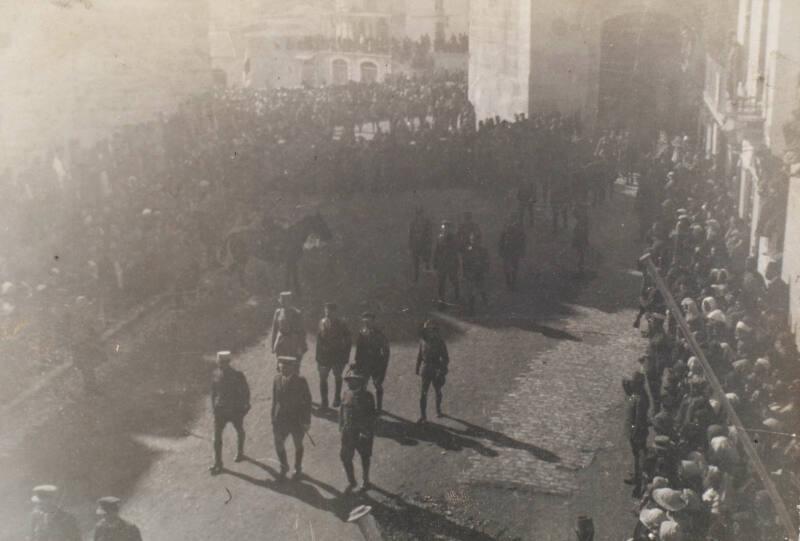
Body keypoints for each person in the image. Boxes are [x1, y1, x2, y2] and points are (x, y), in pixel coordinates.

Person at [210, 350, 250, 475]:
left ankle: (240, 452)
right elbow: (213, 392)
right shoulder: (216, 374)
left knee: (239, 429)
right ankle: (218, 462)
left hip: (234, 410)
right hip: (220, 411)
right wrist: (213, 407)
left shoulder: (238, 375)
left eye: (224, 362)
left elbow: (245, 392)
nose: (221, 365)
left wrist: (244, 407)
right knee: (217, 437)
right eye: (220, 362)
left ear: (229, 362)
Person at [271, 356, 312, 480]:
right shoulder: (276, 379)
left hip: (296, 420)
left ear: (292, 368)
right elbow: (274, 400)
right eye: (281, 367)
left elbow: (307, 402)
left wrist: (306, 421)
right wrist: (273, 417)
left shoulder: (301, 381)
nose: (283, 370)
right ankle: (284, 467)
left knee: (298, 444)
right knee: (278, 443)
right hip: (280, 420)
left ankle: (297, 468)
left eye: (286, 368)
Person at [339, 370, 376, 492]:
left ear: (359, 382)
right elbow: (342, 410)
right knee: (345, 457)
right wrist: (341, 425)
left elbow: (371, 416)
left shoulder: (367, 396)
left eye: (352, 380)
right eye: (348, 380)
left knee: (364, 456)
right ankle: (352, 481)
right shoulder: (346, 393)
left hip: (362, 432)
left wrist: (366, 431)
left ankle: (366, 481)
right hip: (348, 432)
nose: (349, 382)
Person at [315, 302, 352, 409]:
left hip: (337, 356)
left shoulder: (342, 324)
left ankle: (336, 398)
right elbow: (319, 340)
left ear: (335, 312)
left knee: (337, 376)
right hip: (324, 357)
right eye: (326, 311)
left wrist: (345, 357)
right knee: (322, 378)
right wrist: (318, 357)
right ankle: (324, 402)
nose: (327, 313)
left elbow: (348, 341)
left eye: (330, 311)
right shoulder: (321, 322)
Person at [352, 312, 390, 413]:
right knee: (362, 384)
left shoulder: (379, 333)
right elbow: (358, 349)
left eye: (369, 321)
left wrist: (383, 364)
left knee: (377, 384)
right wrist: (356, 362)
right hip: (364, 363)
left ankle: (379, 407)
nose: (367, 324)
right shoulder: (361, 332)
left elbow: (386, 350)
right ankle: (362, 407)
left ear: (373, 321)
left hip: (376, 363)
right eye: (365, 321)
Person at [415, 319, 450, 422]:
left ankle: (438, 410)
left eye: (432, 329)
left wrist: (442, 369)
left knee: (438, 391)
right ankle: (423, 415)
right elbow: (419, 355)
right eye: (427, 329)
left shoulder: (440, 342)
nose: (430, 332)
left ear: (435, 330)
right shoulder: (422, 341)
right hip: (425, 369)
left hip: (436, 368)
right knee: (423, 393)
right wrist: (417, 367)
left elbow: (446, 358)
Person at [623, 372, 650, 497]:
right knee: (637, 457)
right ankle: (637, 477)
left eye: (634, 383)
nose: (632, 384)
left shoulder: (640, 399)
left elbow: (638, 420)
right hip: (636, 432)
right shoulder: (639, 394)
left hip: (637, 433)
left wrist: (633, 432)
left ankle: (639, 486)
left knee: (639, 458)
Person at [270, 291, 307, 365]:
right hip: (281, 342)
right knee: (281, 365)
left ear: (290, 301)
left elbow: (302, 331)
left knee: (293, 365)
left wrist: (301, 345)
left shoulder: (296, 313)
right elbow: (274, 330)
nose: (283, 303)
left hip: (293, 342)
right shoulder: (278, 312)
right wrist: (273, 344)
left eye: (285, 301)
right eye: (282, 301)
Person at [432, 220, 461, 303]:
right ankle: (441, 298)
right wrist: (435, 262)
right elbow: (437, 251)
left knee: (453, 279)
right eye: (443, 227)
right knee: (441, 281)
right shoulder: (440, 238)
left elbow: (455, 250)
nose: (444, 229)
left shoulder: (454, 238)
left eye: (446, 227)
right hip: (442, 263)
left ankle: (457, 295)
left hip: (451, 262)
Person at [462, 231, 489, 315]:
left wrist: (485, 270)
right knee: (471, 292)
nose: (473, 241)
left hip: (479, 273)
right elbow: (465, 262)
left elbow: (486, 262)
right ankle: (471, 309)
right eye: (472, 239)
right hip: (470, 273)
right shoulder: (468, 250)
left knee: (481, 289)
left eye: (475, 240)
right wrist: (465, 272)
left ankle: (485, 304)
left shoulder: (483, 250)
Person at [498, 213, 526, 291]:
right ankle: (509, 281)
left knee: (513, 266)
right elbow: (501, 240)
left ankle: (512, 281)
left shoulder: (517, 229)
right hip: (509, 250)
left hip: (513, 250)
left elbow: (522, 241)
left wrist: (522, 250)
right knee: (509, 267)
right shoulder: (507, 228)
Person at [408, 207, 433, 283]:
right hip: (416, 246)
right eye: (418, 214)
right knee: (416, 263)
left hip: (424, 245)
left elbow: (429, 234)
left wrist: (429, 243)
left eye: (420, 213)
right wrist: (410, 245)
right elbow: (410, 235)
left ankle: (428, 277)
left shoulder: (427, 222)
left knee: (426, 261)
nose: (419, 215)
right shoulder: (413, 223)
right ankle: (416, 278)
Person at [572, 202, 589, 275]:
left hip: (580, 237)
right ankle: (580, 267)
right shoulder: (585, 219)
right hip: (581, 237)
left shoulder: (583, 220)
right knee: (581, 252)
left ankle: (580, 268)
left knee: (580, 252)